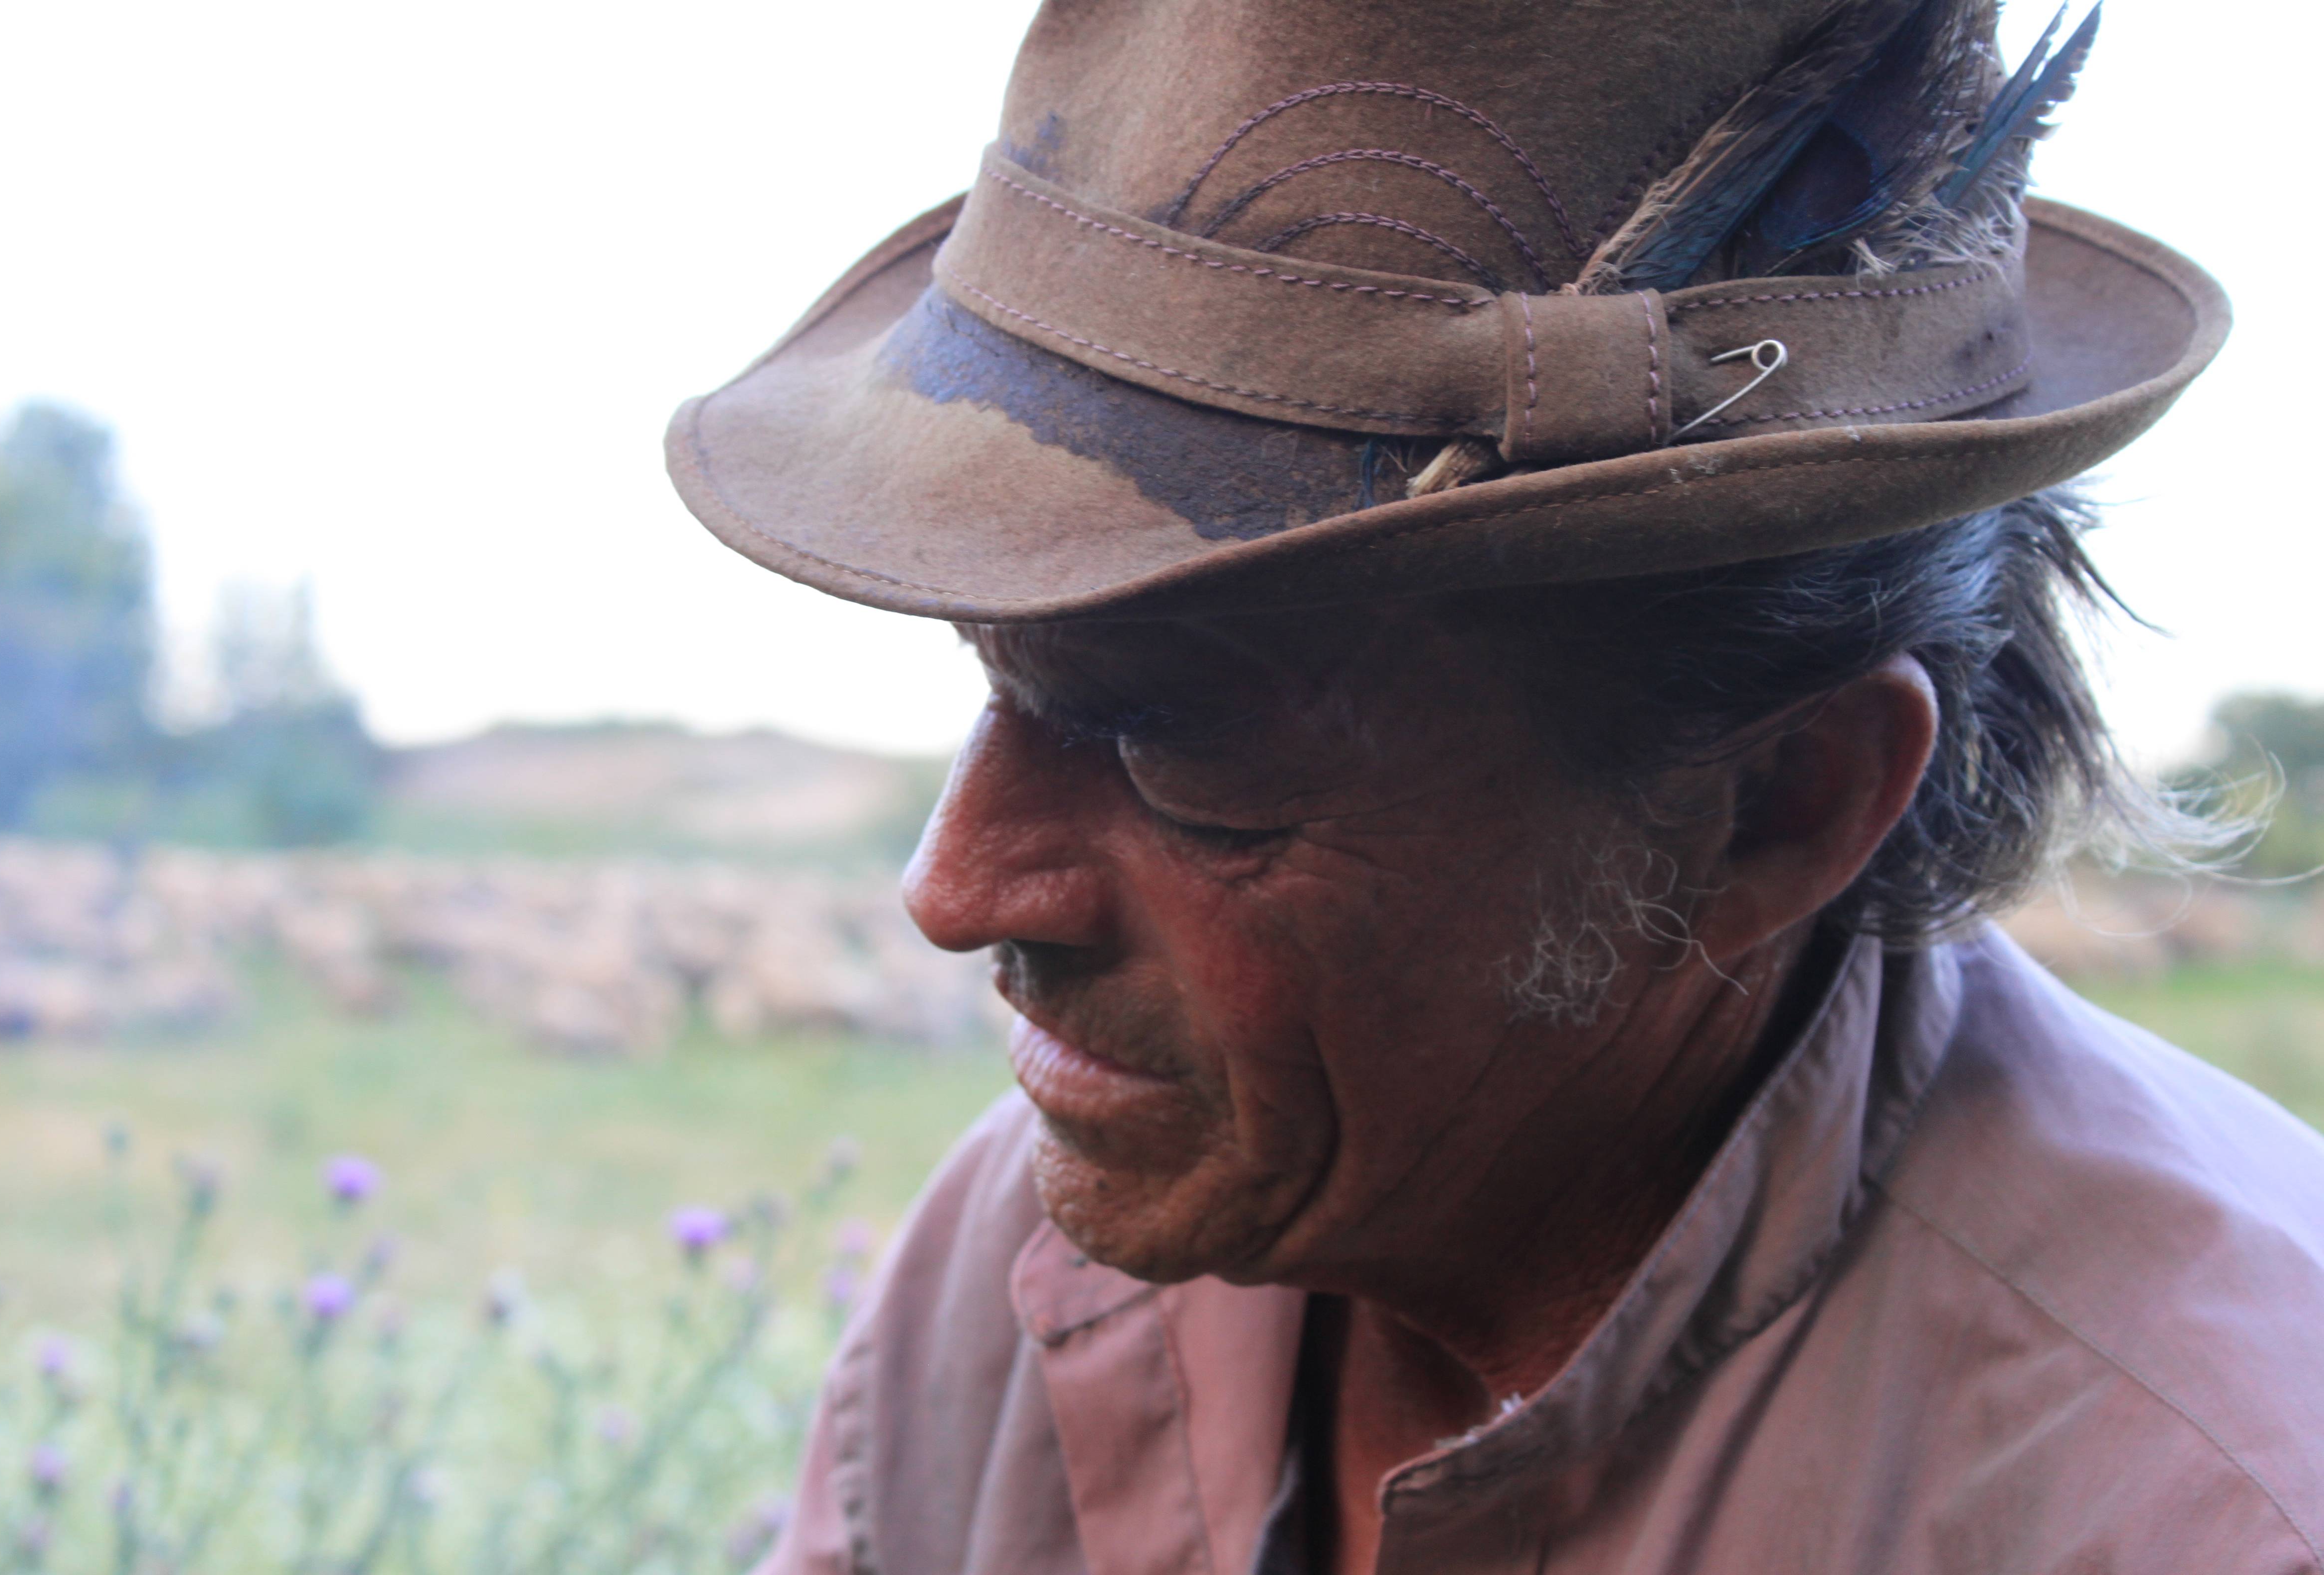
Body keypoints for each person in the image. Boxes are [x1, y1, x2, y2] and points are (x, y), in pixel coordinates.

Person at [665, 1, 2324, 1569]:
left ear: (1780, 804)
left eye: (1186, 754)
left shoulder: (2209, 1500)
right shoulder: (1016, 1261)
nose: (954, 889)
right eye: (998, 678)